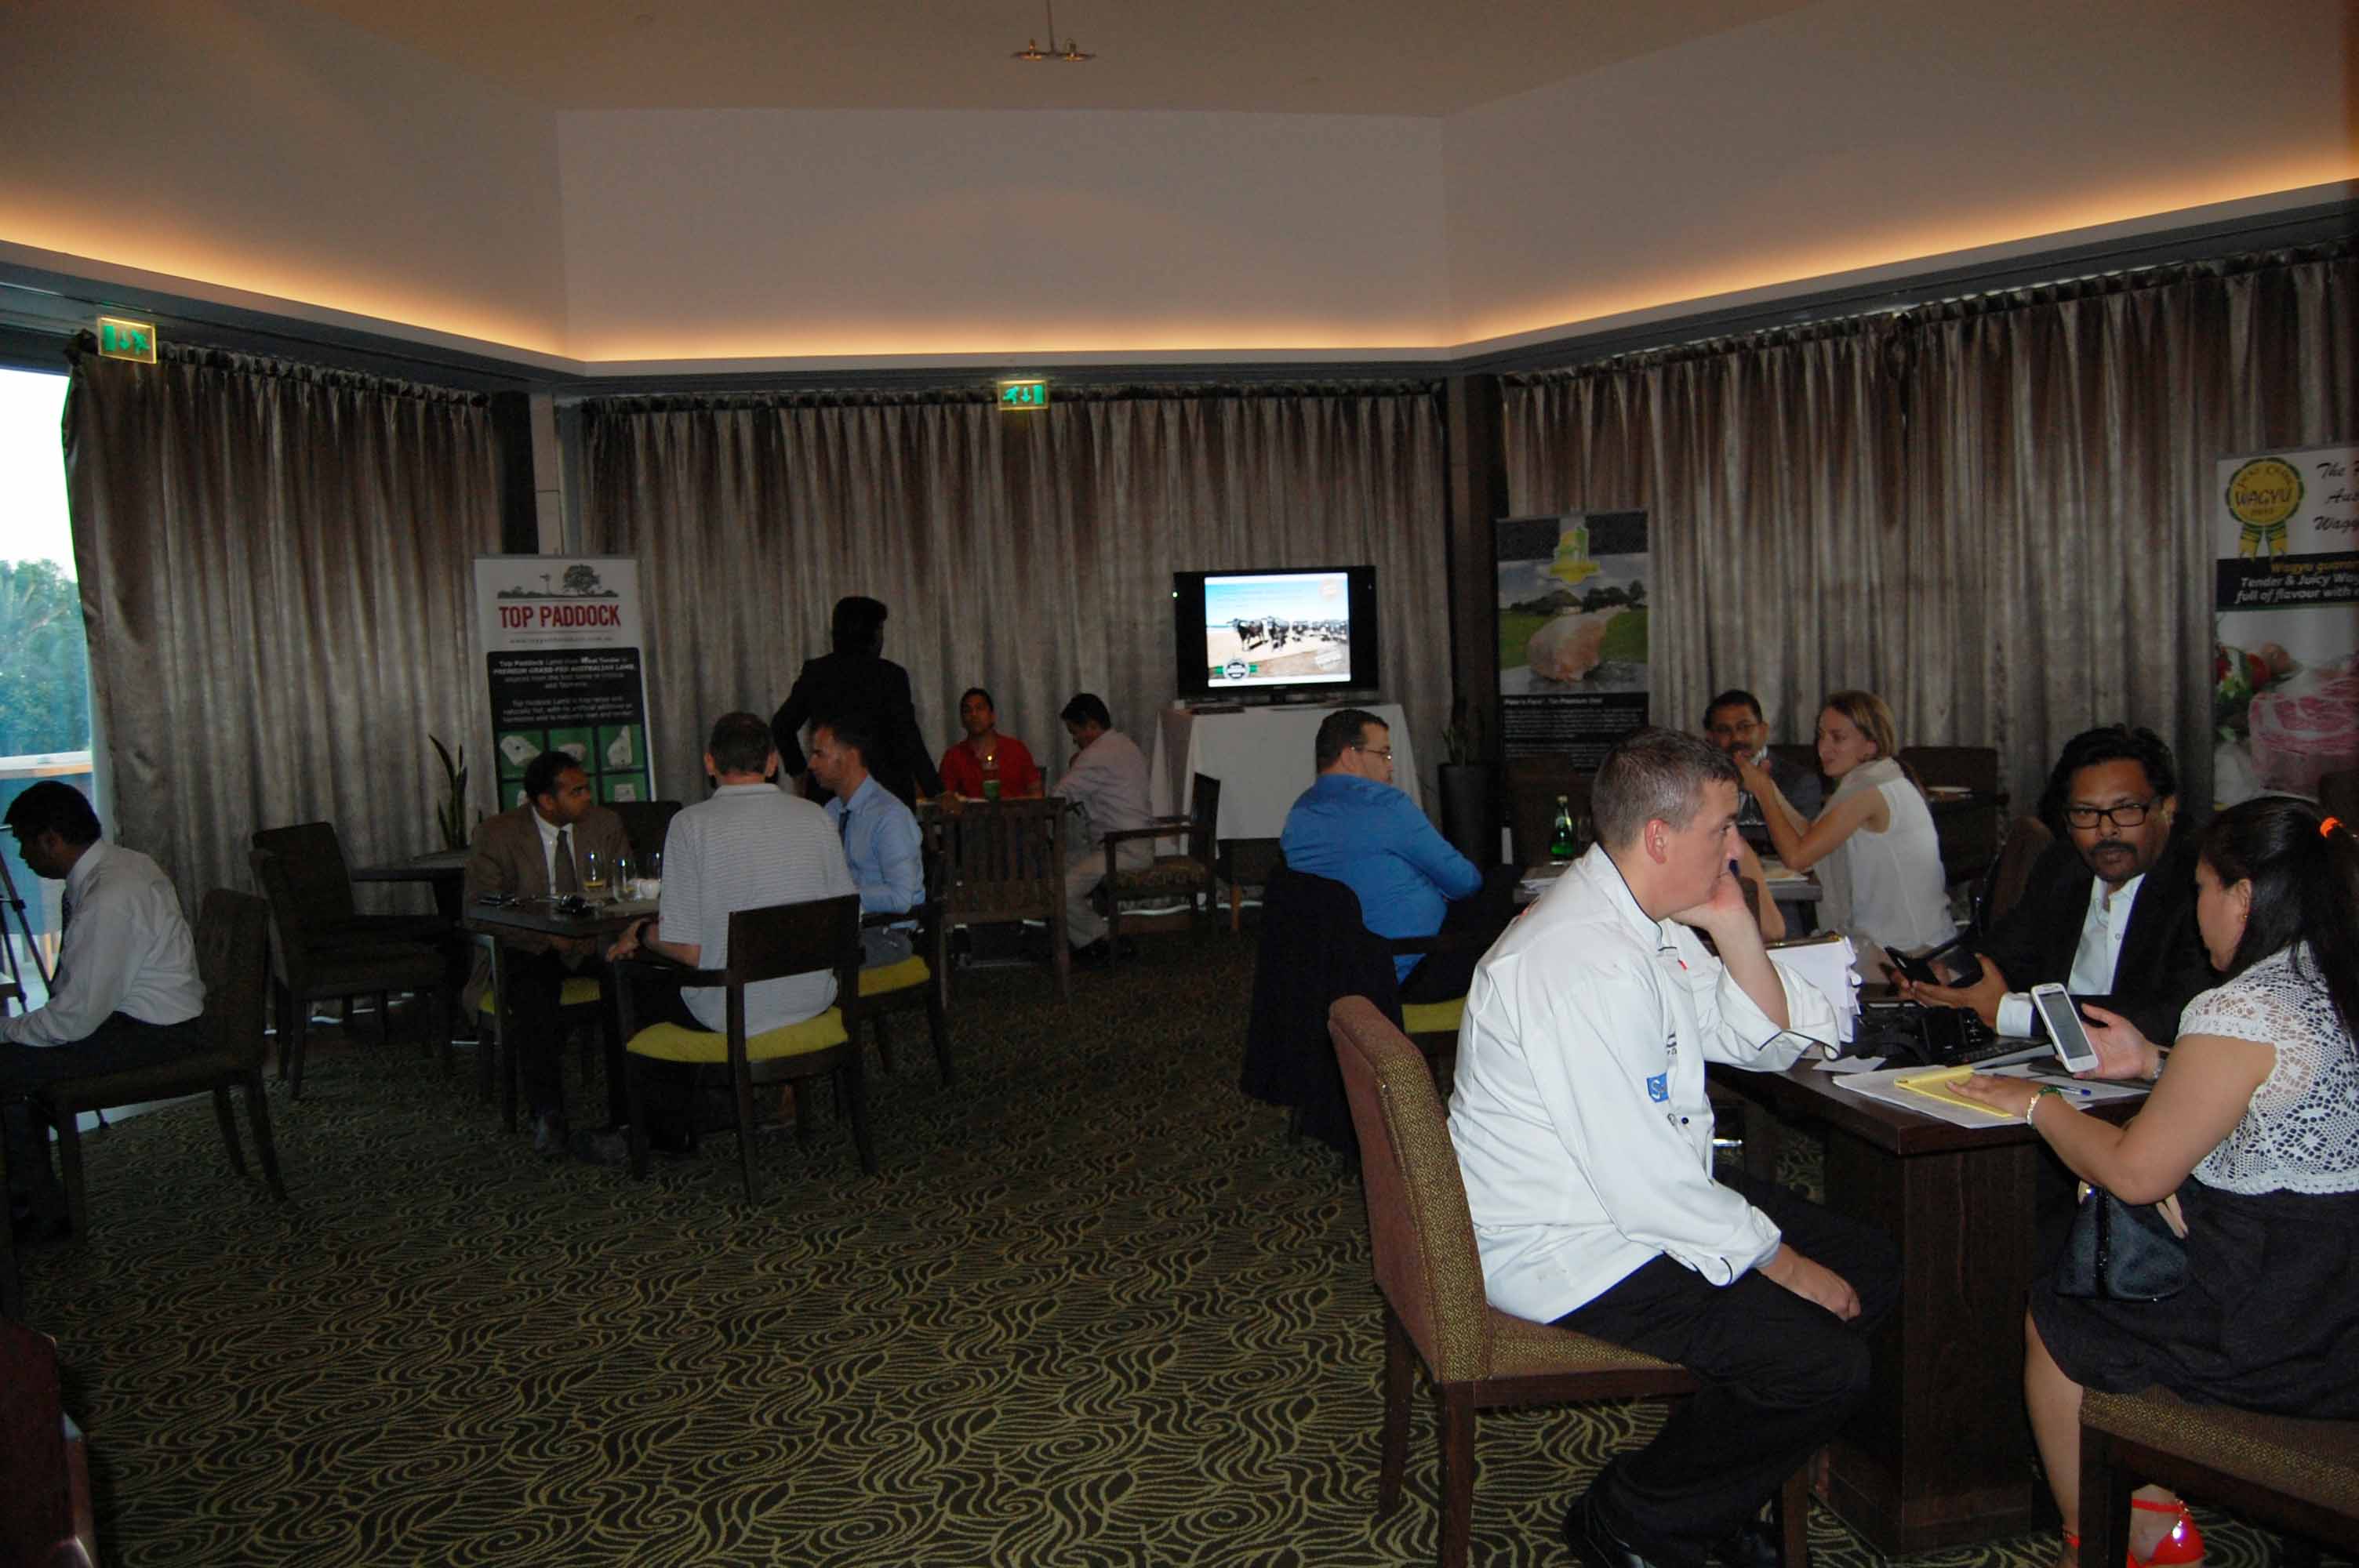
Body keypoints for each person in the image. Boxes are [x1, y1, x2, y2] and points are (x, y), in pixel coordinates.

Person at [1449, 729, 1899, 1568]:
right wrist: (1782, 1265)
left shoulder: (1637, 919)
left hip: (1624, 1198)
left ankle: (1708, 1493)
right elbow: (1640, 1181)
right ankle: (1632, 1517)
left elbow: (1765, 1042)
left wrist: (1732, 922)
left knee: (1869, 1266)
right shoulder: (1578, 960)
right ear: (1659, 836)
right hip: (1567, 1243)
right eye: (1723, 828)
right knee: (1823, 1363)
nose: (1736, 848)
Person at [1952, 798, 2359, 1568]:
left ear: (2242, 895)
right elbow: (2292, 1087)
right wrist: (2156, 1061)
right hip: (2342, 1296)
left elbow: (2134, 1171)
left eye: (2202, 887)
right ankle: (2149, 1514)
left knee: (2062, 1315)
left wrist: (2034, 1103)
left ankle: (2109, 1542)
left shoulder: (2243, 1006)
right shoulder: (2331, 978)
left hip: (2285, 1324)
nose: (2196, 911)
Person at [597, 712, 857, 1158]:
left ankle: (656, 1132)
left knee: (626, 976)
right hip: (813, 995)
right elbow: (847, 919)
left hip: (733, 1010)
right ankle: (711, 1105)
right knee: (680, 977)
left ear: (710, 762)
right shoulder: (815, 817)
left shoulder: (691, 825)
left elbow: (689, 950)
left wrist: (641, 933)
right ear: (772, 762)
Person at [1903, 725, 2211, 1046]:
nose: (2106, 830)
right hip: (2045, 1059)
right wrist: (1949, 978)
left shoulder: (2201, 882)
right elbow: (2006, 954)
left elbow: (2177, 1014)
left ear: (2167, 808)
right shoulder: (2064, 865)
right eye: (2085, 812)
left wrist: (2014, 1013)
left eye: (2125, 809)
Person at [2, 782, 205, 1235]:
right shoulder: (123, 863)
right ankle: (30, 1198)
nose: (20, 856)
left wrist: (8, 1029)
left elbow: (73, 1021)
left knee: (9, 1067)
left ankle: (37, 1214)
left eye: (22, 843)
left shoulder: (109, 896)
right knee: (19, 1060)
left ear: (51, 840)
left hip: (158, 1034)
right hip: (151, 1019)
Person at [1278, 707, 1515, 1004]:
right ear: (1350, 757)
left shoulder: (1298, 815)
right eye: (1384, 754)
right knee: (1507, 880)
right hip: (1412, 966)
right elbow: (1465, 881)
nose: (1391, 766)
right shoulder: (1386, 805)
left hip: (1334, 974)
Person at [463, 750, 630, 1156]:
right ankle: (547, 1113)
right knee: (532, 991)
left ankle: (628, 1111)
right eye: (577, 791)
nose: (588, 797)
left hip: (594, 941)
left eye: (587, 788)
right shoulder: (498, 834)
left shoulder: (605, 825)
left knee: (629, 982)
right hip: (530, 945)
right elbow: (478, 909)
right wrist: (547, 937)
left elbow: (625, 888)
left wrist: (595, 930)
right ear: (546, 801)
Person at [1737, 688, 1954, 971]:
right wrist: (1771, 789)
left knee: (1773, 965)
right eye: (1821, 736)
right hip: (1906, 944)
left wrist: (1763, 792)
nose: (1823, 748)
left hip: (1909, 955)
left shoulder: (1869, 790)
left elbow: (1798, 857)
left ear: (1870, 746)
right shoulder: (1877, 778)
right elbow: (1813, 837)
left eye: (1837, 738)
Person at [770, 596, 942, 809]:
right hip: (885, 793)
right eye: (880, 630)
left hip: (829, 791)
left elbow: (781, 725)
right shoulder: (890, 676)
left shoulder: (816, 673)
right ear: (870, 633)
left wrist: (799, 772)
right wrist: (936, 790)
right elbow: (909, 738)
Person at [809, 715, 924, 969]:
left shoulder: (889, 815)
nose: (812, 764)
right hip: (849, 929)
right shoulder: (831, 812)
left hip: (888, 935)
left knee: (808, 959)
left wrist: (842, 897)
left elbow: (901, 897)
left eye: (819, 754)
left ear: (850, 757)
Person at [1049, 692, 1154, 966]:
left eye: (1075, 732)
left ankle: (1105, 940)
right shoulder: (1125, 744)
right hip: (1129, 843)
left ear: (1092, 726)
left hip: (1123, 848)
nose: (1075, 740)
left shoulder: (1096, 755)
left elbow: (1060, 797)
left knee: (1060, 890)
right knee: (1058, 869)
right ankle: (1087, 942)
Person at [1703, 688, 1823, 843]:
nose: (1736, 738)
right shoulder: (1700, 780)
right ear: (1710, 737)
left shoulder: (1800, 781)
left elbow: (1806, 843)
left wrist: (1763, 788)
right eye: (1724, 730)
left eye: (1745, 727)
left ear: (1763, 730)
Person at [937, 688, 1043, 801]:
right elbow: (945, 799)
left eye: (980, 708)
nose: (974, 715)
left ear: (992, 716)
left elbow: (1037, 794)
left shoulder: (1016, 750)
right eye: (967, 711)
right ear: (962, 720)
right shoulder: (953, 757)